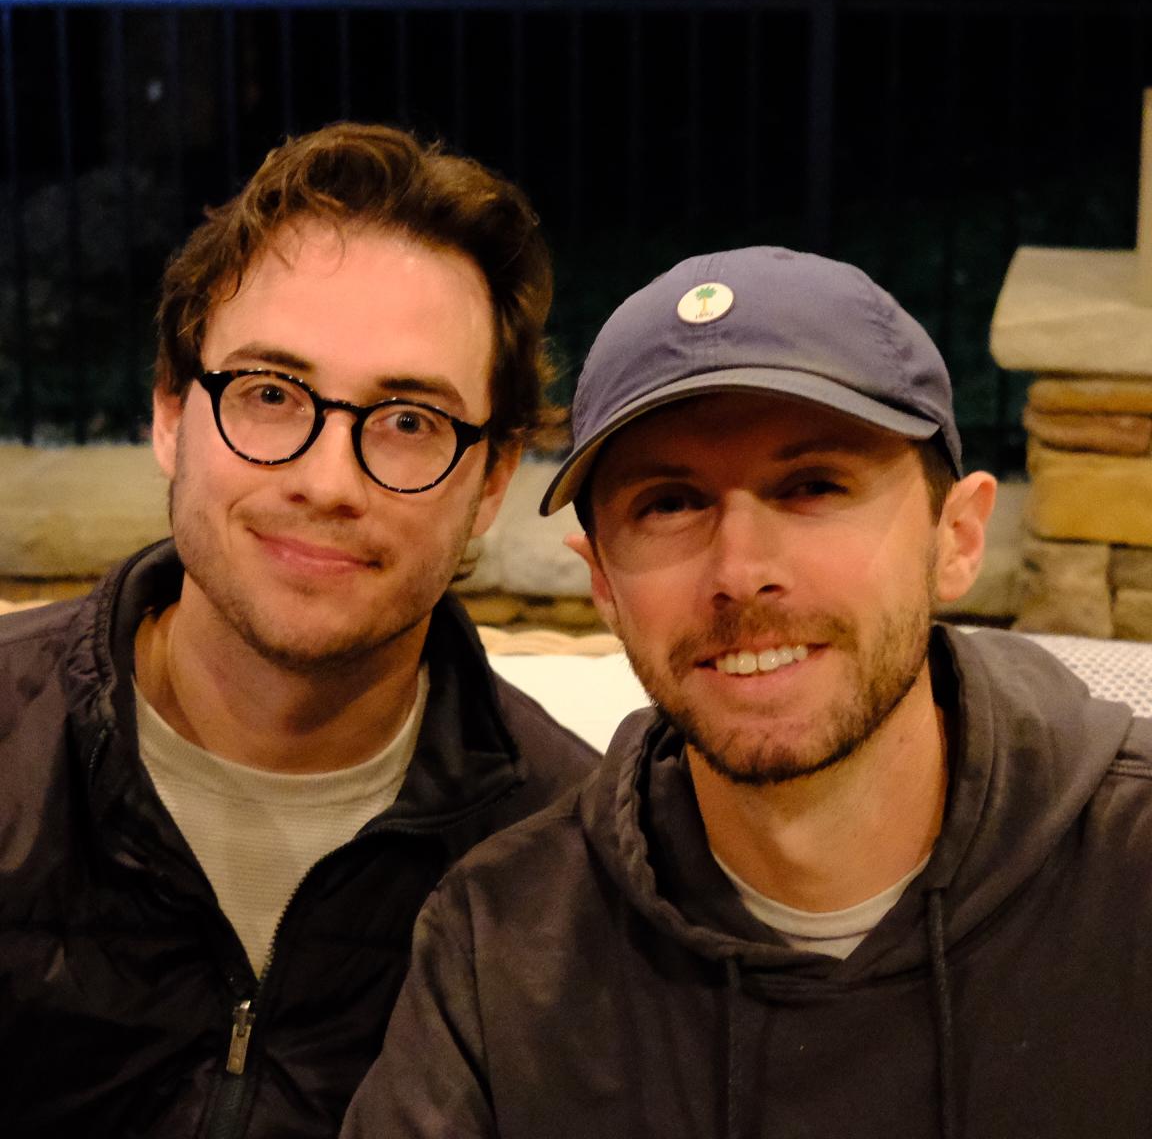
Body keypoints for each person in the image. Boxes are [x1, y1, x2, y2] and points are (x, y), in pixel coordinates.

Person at [342, 246, 1152, 1139]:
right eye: (669, 503)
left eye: (813, 487)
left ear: (956, 538)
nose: (740, 571)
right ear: (603, 584)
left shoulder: (1129, 869)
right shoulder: (502, 947)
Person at [0, 123, 597, 1139]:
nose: (327, 482)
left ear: (493, 480)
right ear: (170, 415)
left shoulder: (572, 862)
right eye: (271, 395)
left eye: (409, 421)